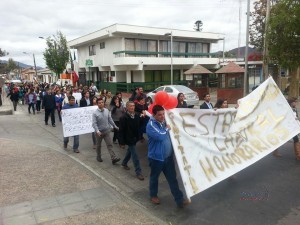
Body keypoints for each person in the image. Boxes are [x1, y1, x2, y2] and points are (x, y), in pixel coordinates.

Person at [146, 105, 190, 208]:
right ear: (154, 115)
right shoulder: (151, 125)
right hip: (156, 158)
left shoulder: (166, 121)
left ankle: (179, 200)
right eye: (159, 115)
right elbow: (160, 136)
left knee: (172, 179)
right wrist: (167, 129)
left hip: (168, 158)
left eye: (163, 114)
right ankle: (153, 195)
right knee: (154, 178)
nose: (162, 116)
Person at [119, 101, 144, 180]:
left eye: (133, 106)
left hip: (135, 138)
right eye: (130, 106)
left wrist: (140, 137)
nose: (132, 107)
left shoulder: (136, 115)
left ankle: (124, 163)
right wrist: (122, 142)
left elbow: (138, 127)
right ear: (127, 107)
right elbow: (121, 131)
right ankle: (138, 172)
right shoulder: (123, 117)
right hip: (129, 139)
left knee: (130, 151)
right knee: (135, 155)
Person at [92, 98, 121, 164]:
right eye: (99, 103)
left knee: (109, 145)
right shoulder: (95, 113)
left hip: (107, 131)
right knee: (98, 145)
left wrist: (115, 126)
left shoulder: (107, 110)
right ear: (97, 104)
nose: (101, 104)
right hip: (99, 133)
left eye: (102, 102)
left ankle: (113, 158)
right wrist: (97, 131)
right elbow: (94, 123)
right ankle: (98, 156)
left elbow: (110, 119)